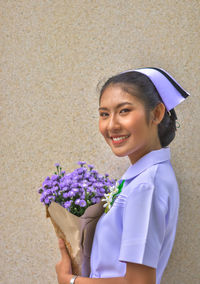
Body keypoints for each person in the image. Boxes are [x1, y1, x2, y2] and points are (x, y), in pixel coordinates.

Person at [55, 67, 189, 284]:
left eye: (124, 111)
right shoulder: (142, 178)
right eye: (104, 114)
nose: (111, 125)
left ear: (156, 113)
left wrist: (71, 281)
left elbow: (139, 282)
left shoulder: (146, 186)